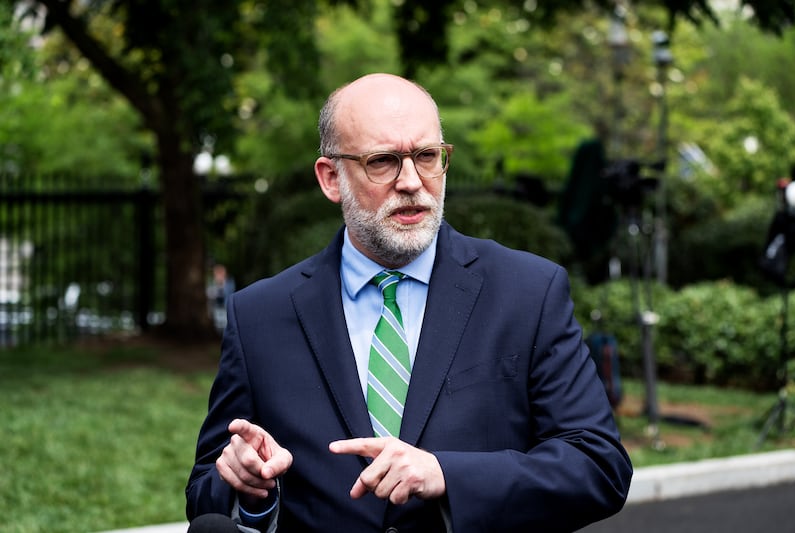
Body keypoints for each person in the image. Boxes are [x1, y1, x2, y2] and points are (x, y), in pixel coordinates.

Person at [185, 73, 632, 532]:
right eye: (382, 161)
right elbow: (205, 494)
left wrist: (447, 476)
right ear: (331, 178)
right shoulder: (259, 316)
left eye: (426, 156)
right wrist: (250, 488)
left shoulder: (528, 292)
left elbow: (598, 466)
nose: (412, 181)